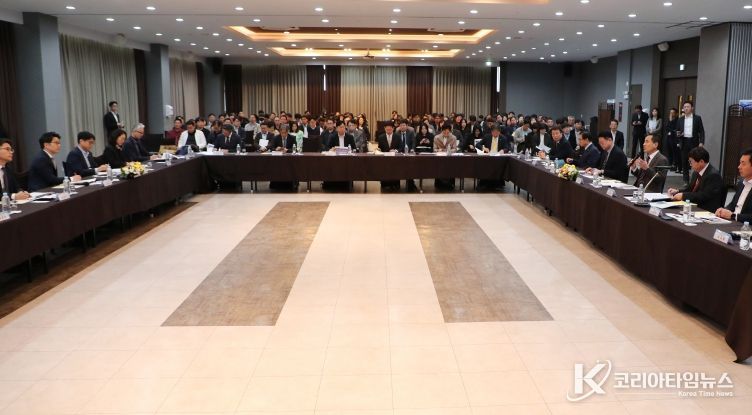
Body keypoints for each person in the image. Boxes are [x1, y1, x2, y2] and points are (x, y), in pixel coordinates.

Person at [667, 147, 725, 212]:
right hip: (695, 205)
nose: (690, 165)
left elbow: (703, 195)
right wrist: (677, 191)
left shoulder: (713, 175)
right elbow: (690, 189)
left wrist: (683, 196)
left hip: (706, 209)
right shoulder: (696, 172)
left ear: (701, 162)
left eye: (691, 162)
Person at [716, 149, 752, 223]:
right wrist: (723, 210)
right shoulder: (741, 183)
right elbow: (733, 205)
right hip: (732, 222)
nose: (739, 167)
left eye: (743, 164)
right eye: (740, 163)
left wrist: (733, 216)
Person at [676, 101, 705, 183]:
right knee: (684, 161)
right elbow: (677, 131)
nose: (686, 108)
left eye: (688, 107)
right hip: (684, 141)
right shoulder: (680, 119)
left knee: (695, 161)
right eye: (684, 107)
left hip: (694, 141)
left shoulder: (697, 118)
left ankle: (695, 180)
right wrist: (678, 135)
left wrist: (701, 142)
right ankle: (686, 181)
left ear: (692, 108)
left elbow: (701, 131)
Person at [665, 108, 680, 172]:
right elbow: (667, 128)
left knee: (674, 152)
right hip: (668, 138)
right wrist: (670, 122)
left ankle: (675, 165)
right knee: (669, 152)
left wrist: (671, 122)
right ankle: (670, 164)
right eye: (670, 113)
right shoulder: (669, 119)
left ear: (676, 114)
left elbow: (675, 129)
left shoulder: (678, 120)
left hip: (674, 138)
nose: (671, 114)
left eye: (673, 113)